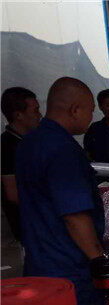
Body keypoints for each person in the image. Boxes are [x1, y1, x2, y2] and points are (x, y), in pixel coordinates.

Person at [15, 77, 109, 305]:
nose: (92, 118)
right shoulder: (62, 150)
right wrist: (98, 260)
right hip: (69, 264)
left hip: (39, 259)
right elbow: (75, 216)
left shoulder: (29, 143)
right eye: (91, 110)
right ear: (74, 109)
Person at [1, 87, 42, 242]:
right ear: (18, 115)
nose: (40, 115)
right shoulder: (6, 146)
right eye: (35, 110)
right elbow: (13, 194)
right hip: (29, 226)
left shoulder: (33, 140)